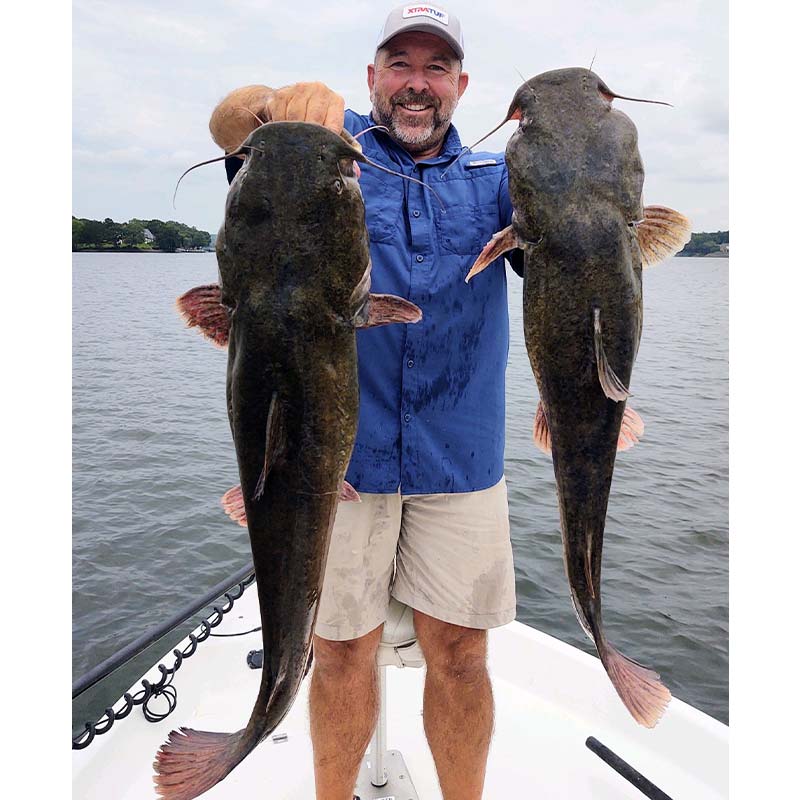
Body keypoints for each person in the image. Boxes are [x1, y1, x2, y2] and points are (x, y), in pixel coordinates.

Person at [209, 5, 523, 799]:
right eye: (400, 64)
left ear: (460, 85)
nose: (417, 84)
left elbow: (570, 235)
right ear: (373, 76)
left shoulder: (499, 181)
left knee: (462, 654)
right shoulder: (323, 147)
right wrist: (278, 98)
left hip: (463, 457)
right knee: (341, 649)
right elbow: (226, 124)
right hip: (334, 457)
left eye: (436, 67)